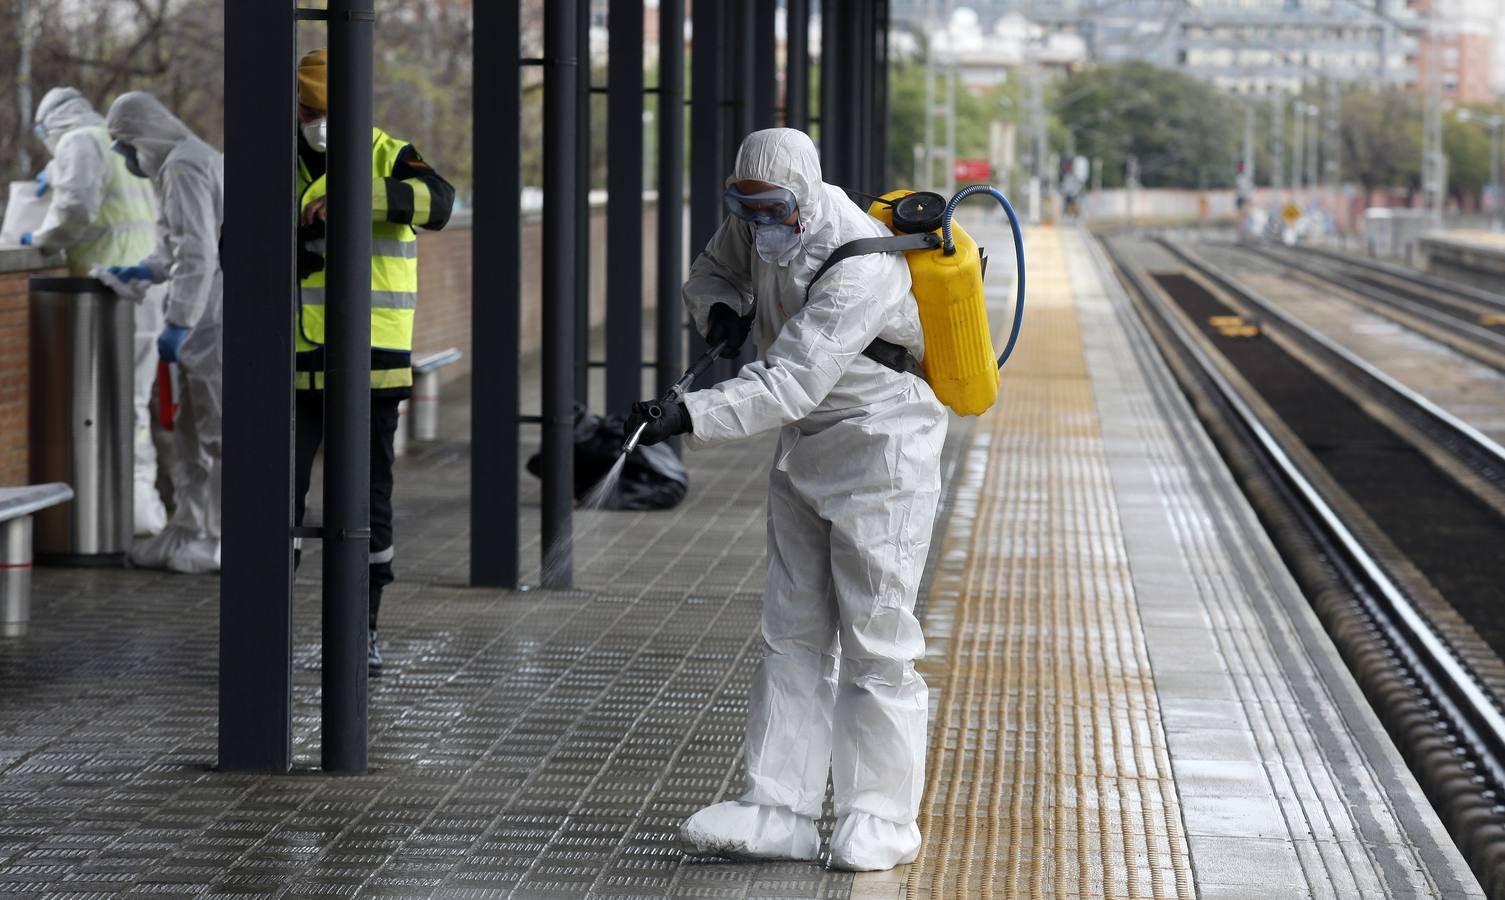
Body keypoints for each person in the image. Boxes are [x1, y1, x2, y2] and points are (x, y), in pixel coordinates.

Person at [623, 128, 947, 872]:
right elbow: (712, 269)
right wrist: (718, 311)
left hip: (880, 447)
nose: (760, 221)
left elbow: (792, 380)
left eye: (773, 209)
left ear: (804, 194)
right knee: (791, 631)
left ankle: (879, 816)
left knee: (877, 641)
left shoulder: (861, 260)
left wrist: (689, 415)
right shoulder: (753, 221)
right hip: (804, 448)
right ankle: (780, 807)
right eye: (747, 206)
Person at [292, 49, 454, 674]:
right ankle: (270, 629)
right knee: (277, 500)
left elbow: (441, 203)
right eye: (312, 111)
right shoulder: (266, 159)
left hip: (370, 367)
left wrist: (352, 196)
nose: (321, 123)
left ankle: (363, 629)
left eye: (332, 112)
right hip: (292, 365)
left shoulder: (389, 152)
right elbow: (237, 250)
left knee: (364, 504)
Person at [28, 87, 170, 536]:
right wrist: (53, 174)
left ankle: (116, 513)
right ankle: (139, 507)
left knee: (109, 401)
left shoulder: (78, 142)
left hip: (105, 290)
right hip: (143, 286)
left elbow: (78, 209)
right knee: (134, 400)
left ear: (49, 124)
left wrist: (41, 239)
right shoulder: (109, 139)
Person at [104, 92, 225, 574]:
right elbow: (176, 245)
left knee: (217, 435)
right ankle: (188, 530)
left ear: (144, 135)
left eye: (125, 144)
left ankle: (215, 540)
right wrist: (146, 270)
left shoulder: (184, 167)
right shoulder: (183, 163)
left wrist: (178, 321)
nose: (125, 156)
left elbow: (198, 253)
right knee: (192, 435)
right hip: (206, 316)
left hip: (211, 317)